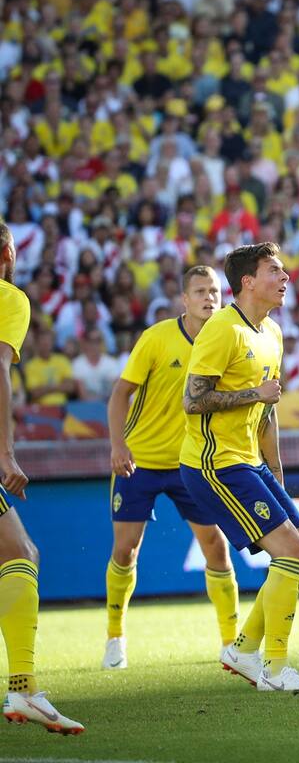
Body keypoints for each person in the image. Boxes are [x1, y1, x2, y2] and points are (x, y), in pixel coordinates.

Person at [179, 242, 299, 693]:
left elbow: (270, 407)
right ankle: (275, 669)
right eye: (275, 271)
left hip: (251, 462)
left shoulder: (272, 332)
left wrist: (275, 471)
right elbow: (193, 400)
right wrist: (252, 395)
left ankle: (242, 651)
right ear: (247, 281)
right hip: (213, 465)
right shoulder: (223, 330)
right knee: (291, 554)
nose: (286, 278)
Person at [102, 266, 239, 671]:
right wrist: (117, 445)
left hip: (191, 463)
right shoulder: (157, 338)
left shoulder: (227, 340)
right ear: (184, 299)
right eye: (200, 291)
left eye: (214, 290)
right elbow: (119, 395)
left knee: (215, 547)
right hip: (139, 461)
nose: (209, 297)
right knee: (126, 552)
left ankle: (232, 643)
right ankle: (115, 637)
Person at [0, 222, 84, 733]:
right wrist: (5, 453)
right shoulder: (8, 299)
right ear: (9, 252)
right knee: (20, 555)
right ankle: (24, 689)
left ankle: (24, 690)